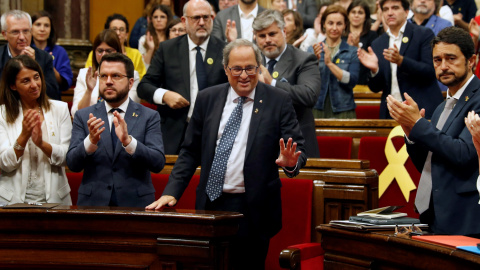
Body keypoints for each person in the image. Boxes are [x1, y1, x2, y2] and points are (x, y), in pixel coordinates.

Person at [146, 39, 307, 270]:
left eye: (250, 68)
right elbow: (190, 151)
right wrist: (172, 192)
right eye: (237, 69)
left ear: (259, 68)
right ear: (226, 69)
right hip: (212, 205)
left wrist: (291, 163)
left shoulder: (277, 100)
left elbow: (297, 148)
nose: (244, 75)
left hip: (254, 210)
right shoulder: (207, 98)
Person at [387, 27, 480, 235]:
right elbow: (430, 164)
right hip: (435, 214)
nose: (443, 66)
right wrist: (412, 134)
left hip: (465, 217)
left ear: (471, 60)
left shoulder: (479, 98)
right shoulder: (440, 107)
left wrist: (420, 125)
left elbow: (464, 154)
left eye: (451, 58)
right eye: (437, 60)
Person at [67, 53, 165, 207]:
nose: (108, 82)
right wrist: (90, 142)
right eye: (103, 76)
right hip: (93, 205)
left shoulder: (149, 116)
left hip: (136, 205)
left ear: (130, 82)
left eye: (116, 76)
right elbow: (72, 164)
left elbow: (158, 163)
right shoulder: (83, 115)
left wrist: (129, 142)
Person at [138, 0, 228, 155]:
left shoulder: (224, 50)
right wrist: (165, 95)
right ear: (184, 21)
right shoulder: (168, 49)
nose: (201, 22)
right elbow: (144, 87)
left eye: (206, 18)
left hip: (215, 131)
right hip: (175, 130)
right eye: (196, 18)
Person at [0, 55, 72, 205]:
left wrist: (41, 143)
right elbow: (4, 163)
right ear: (13, 86)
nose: (34, 84)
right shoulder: (2, 114)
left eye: (36, 77)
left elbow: (68, 157)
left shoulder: (60, 109)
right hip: (12, 201)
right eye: (26, 81)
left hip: (55, 199)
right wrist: (23, 137)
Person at [357, 0, 443, 119]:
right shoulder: (378, 43)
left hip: (421, 109)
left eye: (395, 8)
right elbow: (375, 88)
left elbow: (430, 71)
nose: (390, 13)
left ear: (407, 12)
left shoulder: (423, 34)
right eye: (386, 9)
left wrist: (401, 61)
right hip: (391, 112)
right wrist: (375, 70)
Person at [253, 10, 320, 157]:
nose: (267, 40)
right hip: (260, 145)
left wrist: (272, 83)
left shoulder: (304, 59)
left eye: (272, 34)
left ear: (284, 32)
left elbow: (309, 95)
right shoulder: (252, 61)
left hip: (295, 145)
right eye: (262, 36)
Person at [71, 30, 140, 116]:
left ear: (118, 52)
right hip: (91, 124)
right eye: (100, 51)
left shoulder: (131, 75)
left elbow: (132, 109)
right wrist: (89, 91)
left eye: (109, 51)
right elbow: (76, 113)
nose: (104, 55)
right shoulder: (84, 74)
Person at [308, 5, 359, 119]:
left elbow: (352, 81)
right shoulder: (312, 50)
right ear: (324, 25)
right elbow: (307, 81)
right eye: (330, 23)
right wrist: (313, 63)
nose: (334, 28)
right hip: (317, 107)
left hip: (344, 108)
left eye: (339, 24)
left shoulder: (352, 51)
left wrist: (330, 64)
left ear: (345, 25)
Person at [0, 10, 59, 100]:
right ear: (5, 34)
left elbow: (53, 95)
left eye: (26, 31)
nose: (22, 37)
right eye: (15, 32)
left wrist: (34, 65)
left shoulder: (44, 58)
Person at [85, 14, 146, 80]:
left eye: (121, 30)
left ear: (126, 35)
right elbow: (88, 76)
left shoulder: (135, 54)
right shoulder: (95, 53)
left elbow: (141, 79)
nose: (118, 33)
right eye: (114, 29)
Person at [31, 10, 73, 92]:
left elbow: (65, 83)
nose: (42, 29)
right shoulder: (26, 50)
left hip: (52, 96)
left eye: (46, 25)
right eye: (38, 25)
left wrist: (47, 62)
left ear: (51, 29)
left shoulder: (60, 51)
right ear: (30, 28)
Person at [346, 0, 378, 86]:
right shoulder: (342, 35)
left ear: (366, 17)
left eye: (360, 13)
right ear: (348, 15)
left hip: (365, 83)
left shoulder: (372, 36)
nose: (356, 15)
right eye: (353, 12)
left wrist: (356, 47)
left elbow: (374, 61)